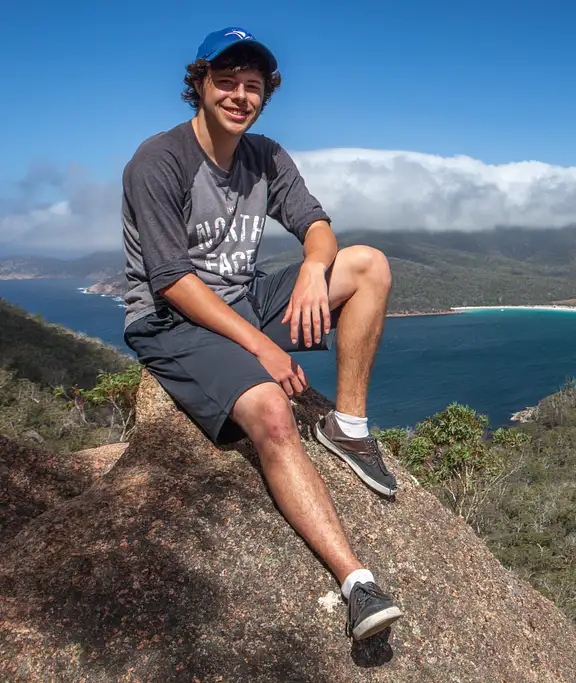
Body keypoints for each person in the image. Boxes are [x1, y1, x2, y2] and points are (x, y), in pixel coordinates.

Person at [119, 26, 402, 641]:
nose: (240, 96)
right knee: (272, 411)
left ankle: (348, 427)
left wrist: (311, 268)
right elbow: (170, 280)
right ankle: (358, 582)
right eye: (227, 82)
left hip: (242, 300)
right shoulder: (158, 161)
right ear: (199, 85)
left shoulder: (265, 155)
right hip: (170, 320)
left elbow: (317, 224)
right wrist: (262, 344)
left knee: (368, 264)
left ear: (266, 95)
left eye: (253, 86)